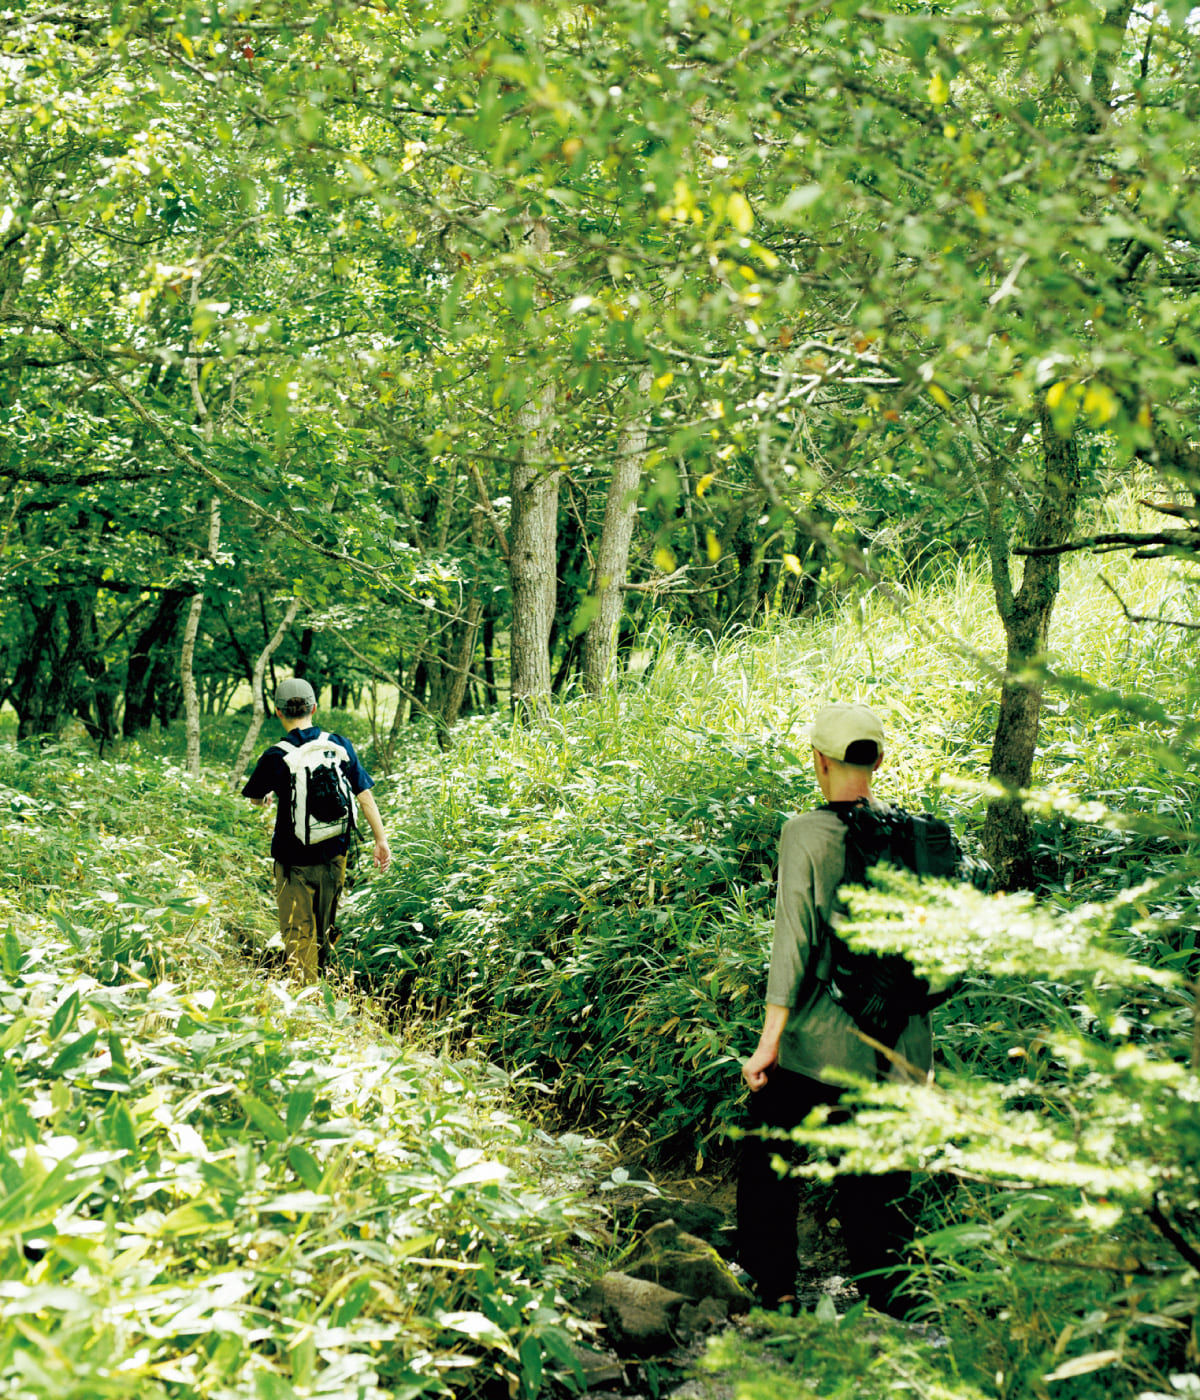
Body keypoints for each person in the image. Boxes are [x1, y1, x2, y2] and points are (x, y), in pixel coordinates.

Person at [737, 701, 929, 1317]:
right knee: (873, 1168)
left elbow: (793, 942)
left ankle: (778, 1287)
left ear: (819, 761)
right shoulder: (915, 831)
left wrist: (768, 1044)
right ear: (878, 760)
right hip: (902, 1042)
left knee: (769, 1143)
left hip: (827, 1041)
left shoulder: (806, 833)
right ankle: (892, 1297)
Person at [242, 677, 391, 983]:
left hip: (292, 860)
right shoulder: (338, 744)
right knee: (323, 930)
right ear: (314, 707)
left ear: (278, 712)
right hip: (335, 856)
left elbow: (256, 797)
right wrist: (380, 840)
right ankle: (322, 986)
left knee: (299, 935)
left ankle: (307, 1004)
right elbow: (364, 797)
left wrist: (266, 798)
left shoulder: (274, 756)